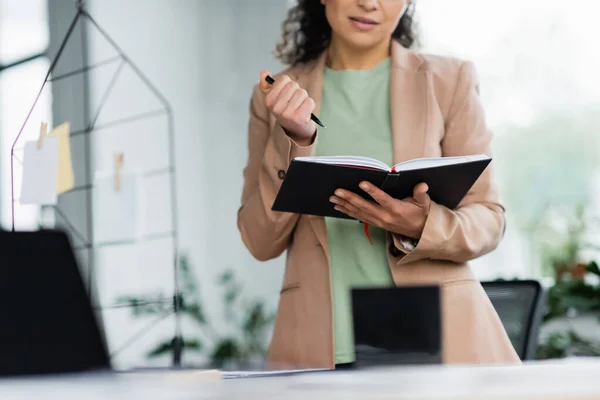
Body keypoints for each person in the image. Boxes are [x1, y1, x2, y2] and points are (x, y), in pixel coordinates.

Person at [237, 0, 520, 369]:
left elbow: (488, 220)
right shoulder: (277, 97)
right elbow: (260, 241)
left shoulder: (449, 81)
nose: (368, 2)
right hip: (323, 345)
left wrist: (421, 226)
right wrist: (293, 138)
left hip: (439, 339)